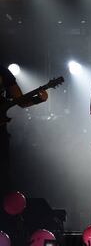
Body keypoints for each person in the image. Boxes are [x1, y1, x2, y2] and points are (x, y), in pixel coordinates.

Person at [0, 65, 48, 197]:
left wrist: (38, 99)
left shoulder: (3, 72)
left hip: (1, 131)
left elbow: (20, 101)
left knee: (3, 173)